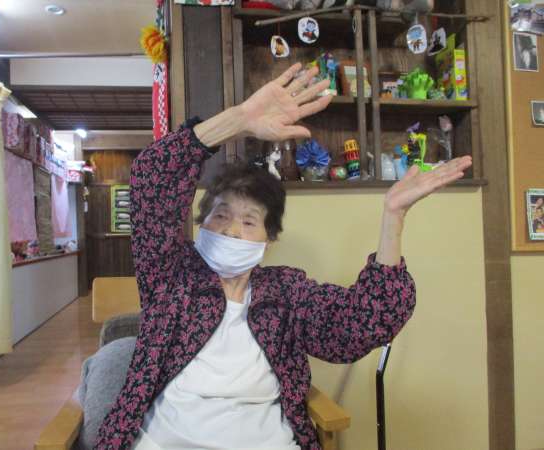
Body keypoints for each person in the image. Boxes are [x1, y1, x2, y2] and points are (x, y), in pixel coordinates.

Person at [94, 63, 472, 450]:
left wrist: (393, 217)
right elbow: (151, 178)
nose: (231, 230)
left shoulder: (285, 292)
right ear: (201, 224)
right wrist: (239, 120)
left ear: (268, 240)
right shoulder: (170, 275)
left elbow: (364, 323)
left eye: (248, 221)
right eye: (220, 215)